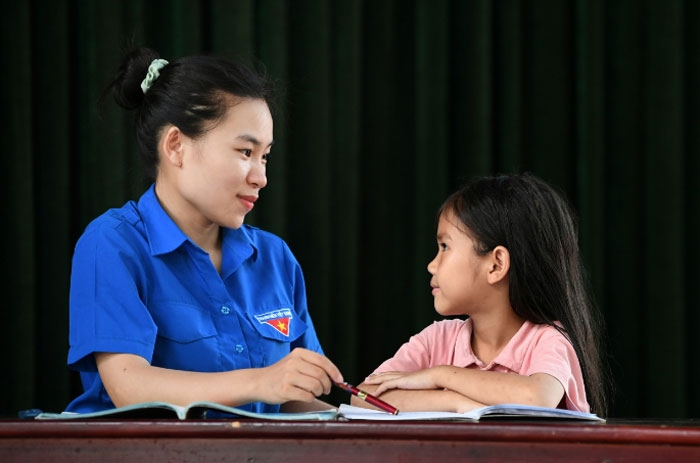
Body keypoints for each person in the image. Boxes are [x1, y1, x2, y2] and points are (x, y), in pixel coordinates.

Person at [65, 46, 343, 415]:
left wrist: (379, 418)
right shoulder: (113, 245)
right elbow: (128, 385)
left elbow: (295, 398)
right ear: (176, 146)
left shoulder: (276, 257)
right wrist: (261, 381)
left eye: (265, 156)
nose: (260, 177)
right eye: (245, 152)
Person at [354, 173, 609, 416]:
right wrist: (450, 401)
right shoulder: (436, 340)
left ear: (496, 265)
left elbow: (537, 398)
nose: (431, 265)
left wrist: (440, 376)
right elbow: (362, 397)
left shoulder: (546, 341)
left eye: (445, 247)